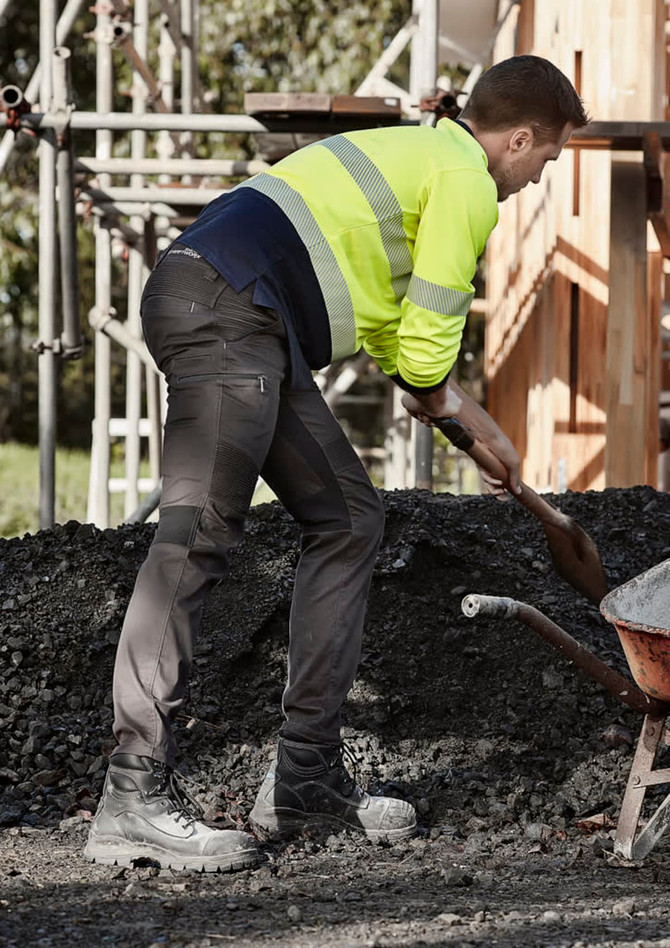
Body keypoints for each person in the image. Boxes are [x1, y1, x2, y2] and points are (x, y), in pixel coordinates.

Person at [85, 54, 588, 872]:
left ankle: (304, 780)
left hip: (242, 313)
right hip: (227, 310)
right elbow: (426, 353)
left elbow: (394, 330)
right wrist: (457, 410)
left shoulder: (417, 153)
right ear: (521, 138)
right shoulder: (464, 177)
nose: (536, 180)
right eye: (546, 160)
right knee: (195, 536)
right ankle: (132, 794)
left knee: (352, 516)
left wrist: (471, 428)